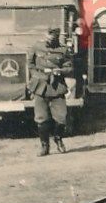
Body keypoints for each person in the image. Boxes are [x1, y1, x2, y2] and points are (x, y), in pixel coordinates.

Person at [28, 27, 73, 156]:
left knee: (61, 117)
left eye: (53, 36)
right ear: (45, 35)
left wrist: (60, 71)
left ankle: (58, 139)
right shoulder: (36, 46)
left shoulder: (63, 50)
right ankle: (44, 146)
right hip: (40, 85)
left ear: (57, 37)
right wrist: (38, 75)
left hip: (57, 86)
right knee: (41, 118)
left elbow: (69, 67)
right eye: (48, 35)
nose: (50, 38)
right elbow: (30, 65)